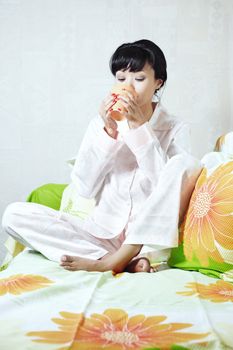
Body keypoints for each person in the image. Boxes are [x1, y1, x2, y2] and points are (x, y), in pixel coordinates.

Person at [1, 39, 203, 273]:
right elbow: (84, 187)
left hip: (146, 242)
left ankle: (122, 258)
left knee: (183, 164)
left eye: (139, 79)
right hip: (99, 234)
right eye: (121, 79)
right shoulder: (102, 123)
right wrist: (107, 133)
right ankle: (115, 261)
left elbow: (167, 189)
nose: (128, 86)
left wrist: (140, 130)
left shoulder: (176, 128)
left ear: (158, 83)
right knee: (14, 215)